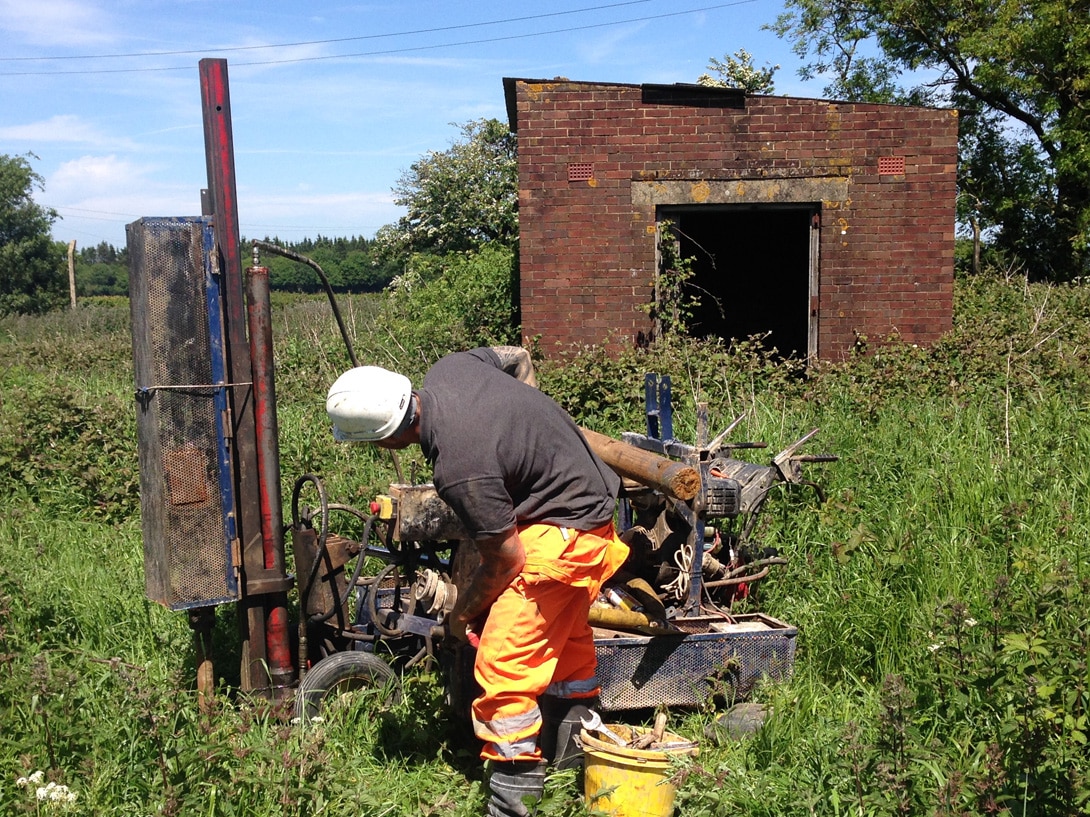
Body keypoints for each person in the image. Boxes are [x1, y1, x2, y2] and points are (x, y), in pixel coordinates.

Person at [326, 347, 629, 817]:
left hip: (562, 534)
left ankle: (512, 807)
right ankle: (575, 778)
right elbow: (517, 356)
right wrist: (526, 420)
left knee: (504, 666)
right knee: (566, 654)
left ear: (384, 440)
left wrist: (460, 612)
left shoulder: (460, 467)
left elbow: (506, 561)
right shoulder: (449, 368)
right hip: (588, 505)